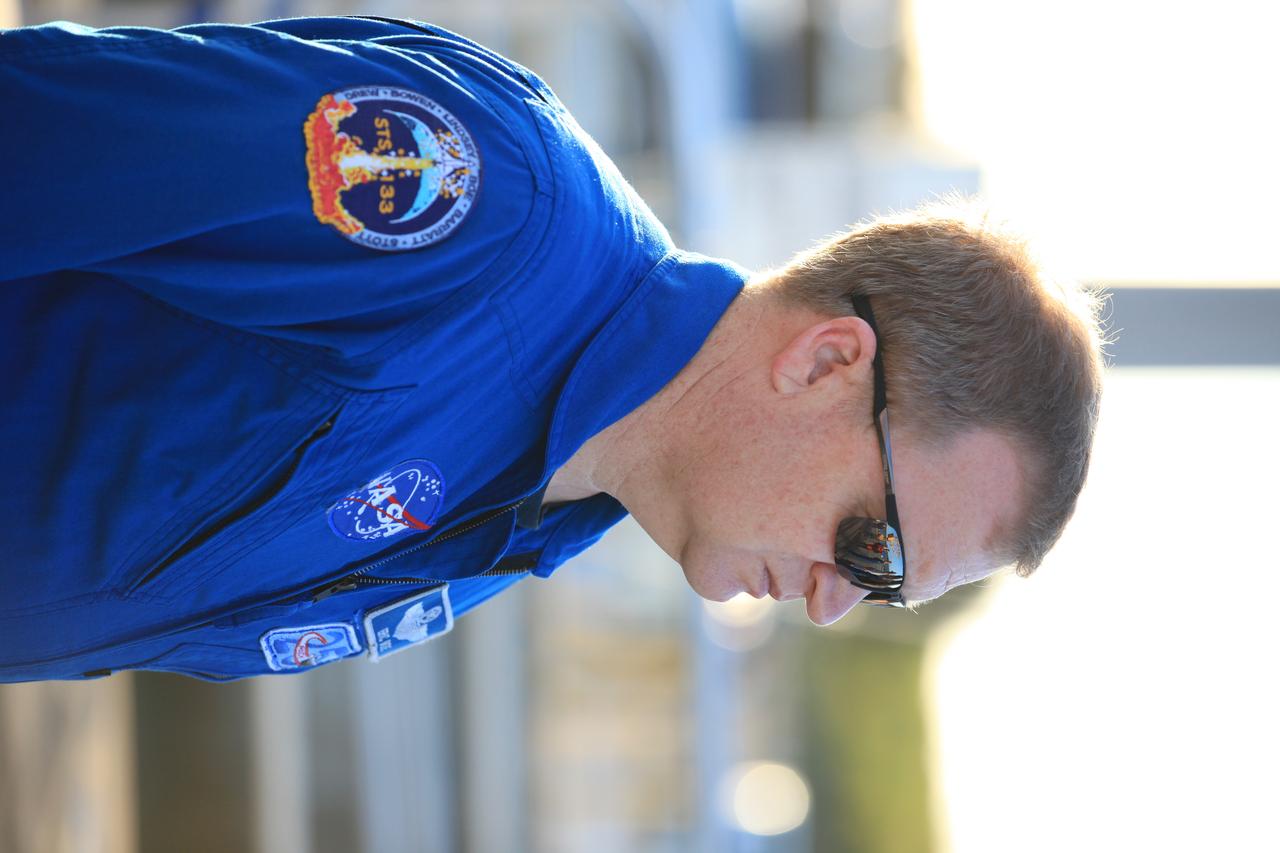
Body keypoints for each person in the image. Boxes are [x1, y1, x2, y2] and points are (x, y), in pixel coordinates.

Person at [0, 15, 1105, 682]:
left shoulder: (534, 518)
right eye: (871, 546)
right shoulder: (483, 205)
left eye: (881, 594)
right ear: (823, 362)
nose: (829, 601)